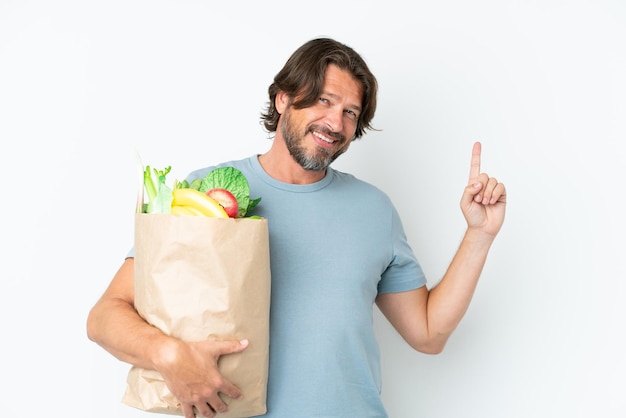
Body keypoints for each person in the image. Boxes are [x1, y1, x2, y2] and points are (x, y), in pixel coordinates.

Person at [87, 37, 506, 418]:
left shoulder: (374, 210)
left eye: (349, 113)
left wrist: (479, 235)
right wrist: (168, 355)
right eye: (323, 101)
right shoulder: (207, 192)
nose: (335, 123)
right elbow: (106, 316)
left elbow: (428, 334)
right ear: (284, 98)